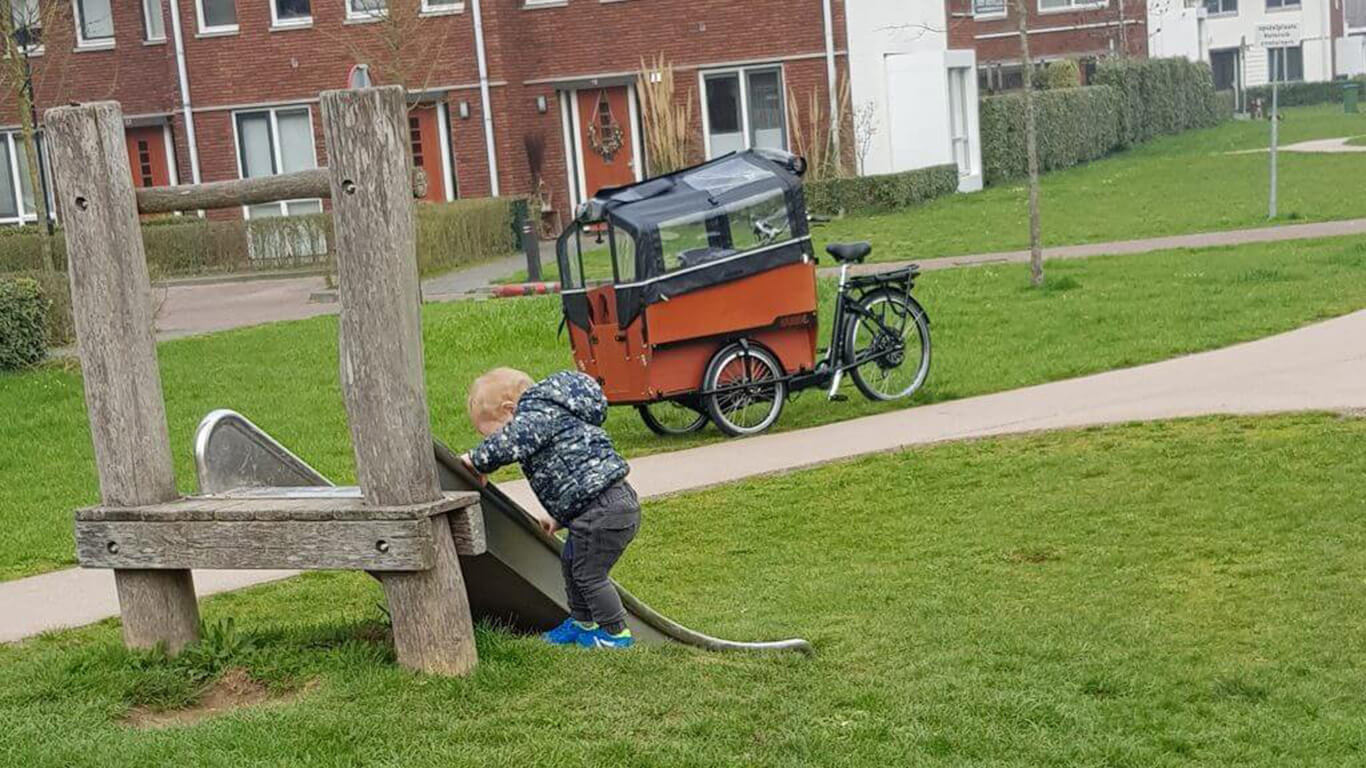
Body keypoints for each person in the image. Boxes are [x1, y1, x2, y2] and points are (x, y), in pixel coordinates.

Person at [461, 368, 641, 649]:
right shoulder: (552, 418)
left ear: (510, 409)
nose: (494, 441)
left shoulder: (536, 415)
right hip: (597, 506)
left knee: (589, 574)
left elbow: (512, 442)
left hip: (605, 508)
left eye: (492, 434)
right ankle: (582, 624)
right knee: (570, 563)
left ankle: (615, 634)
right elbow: (571, 474)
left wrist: (477, 459)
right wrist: (559, 516)